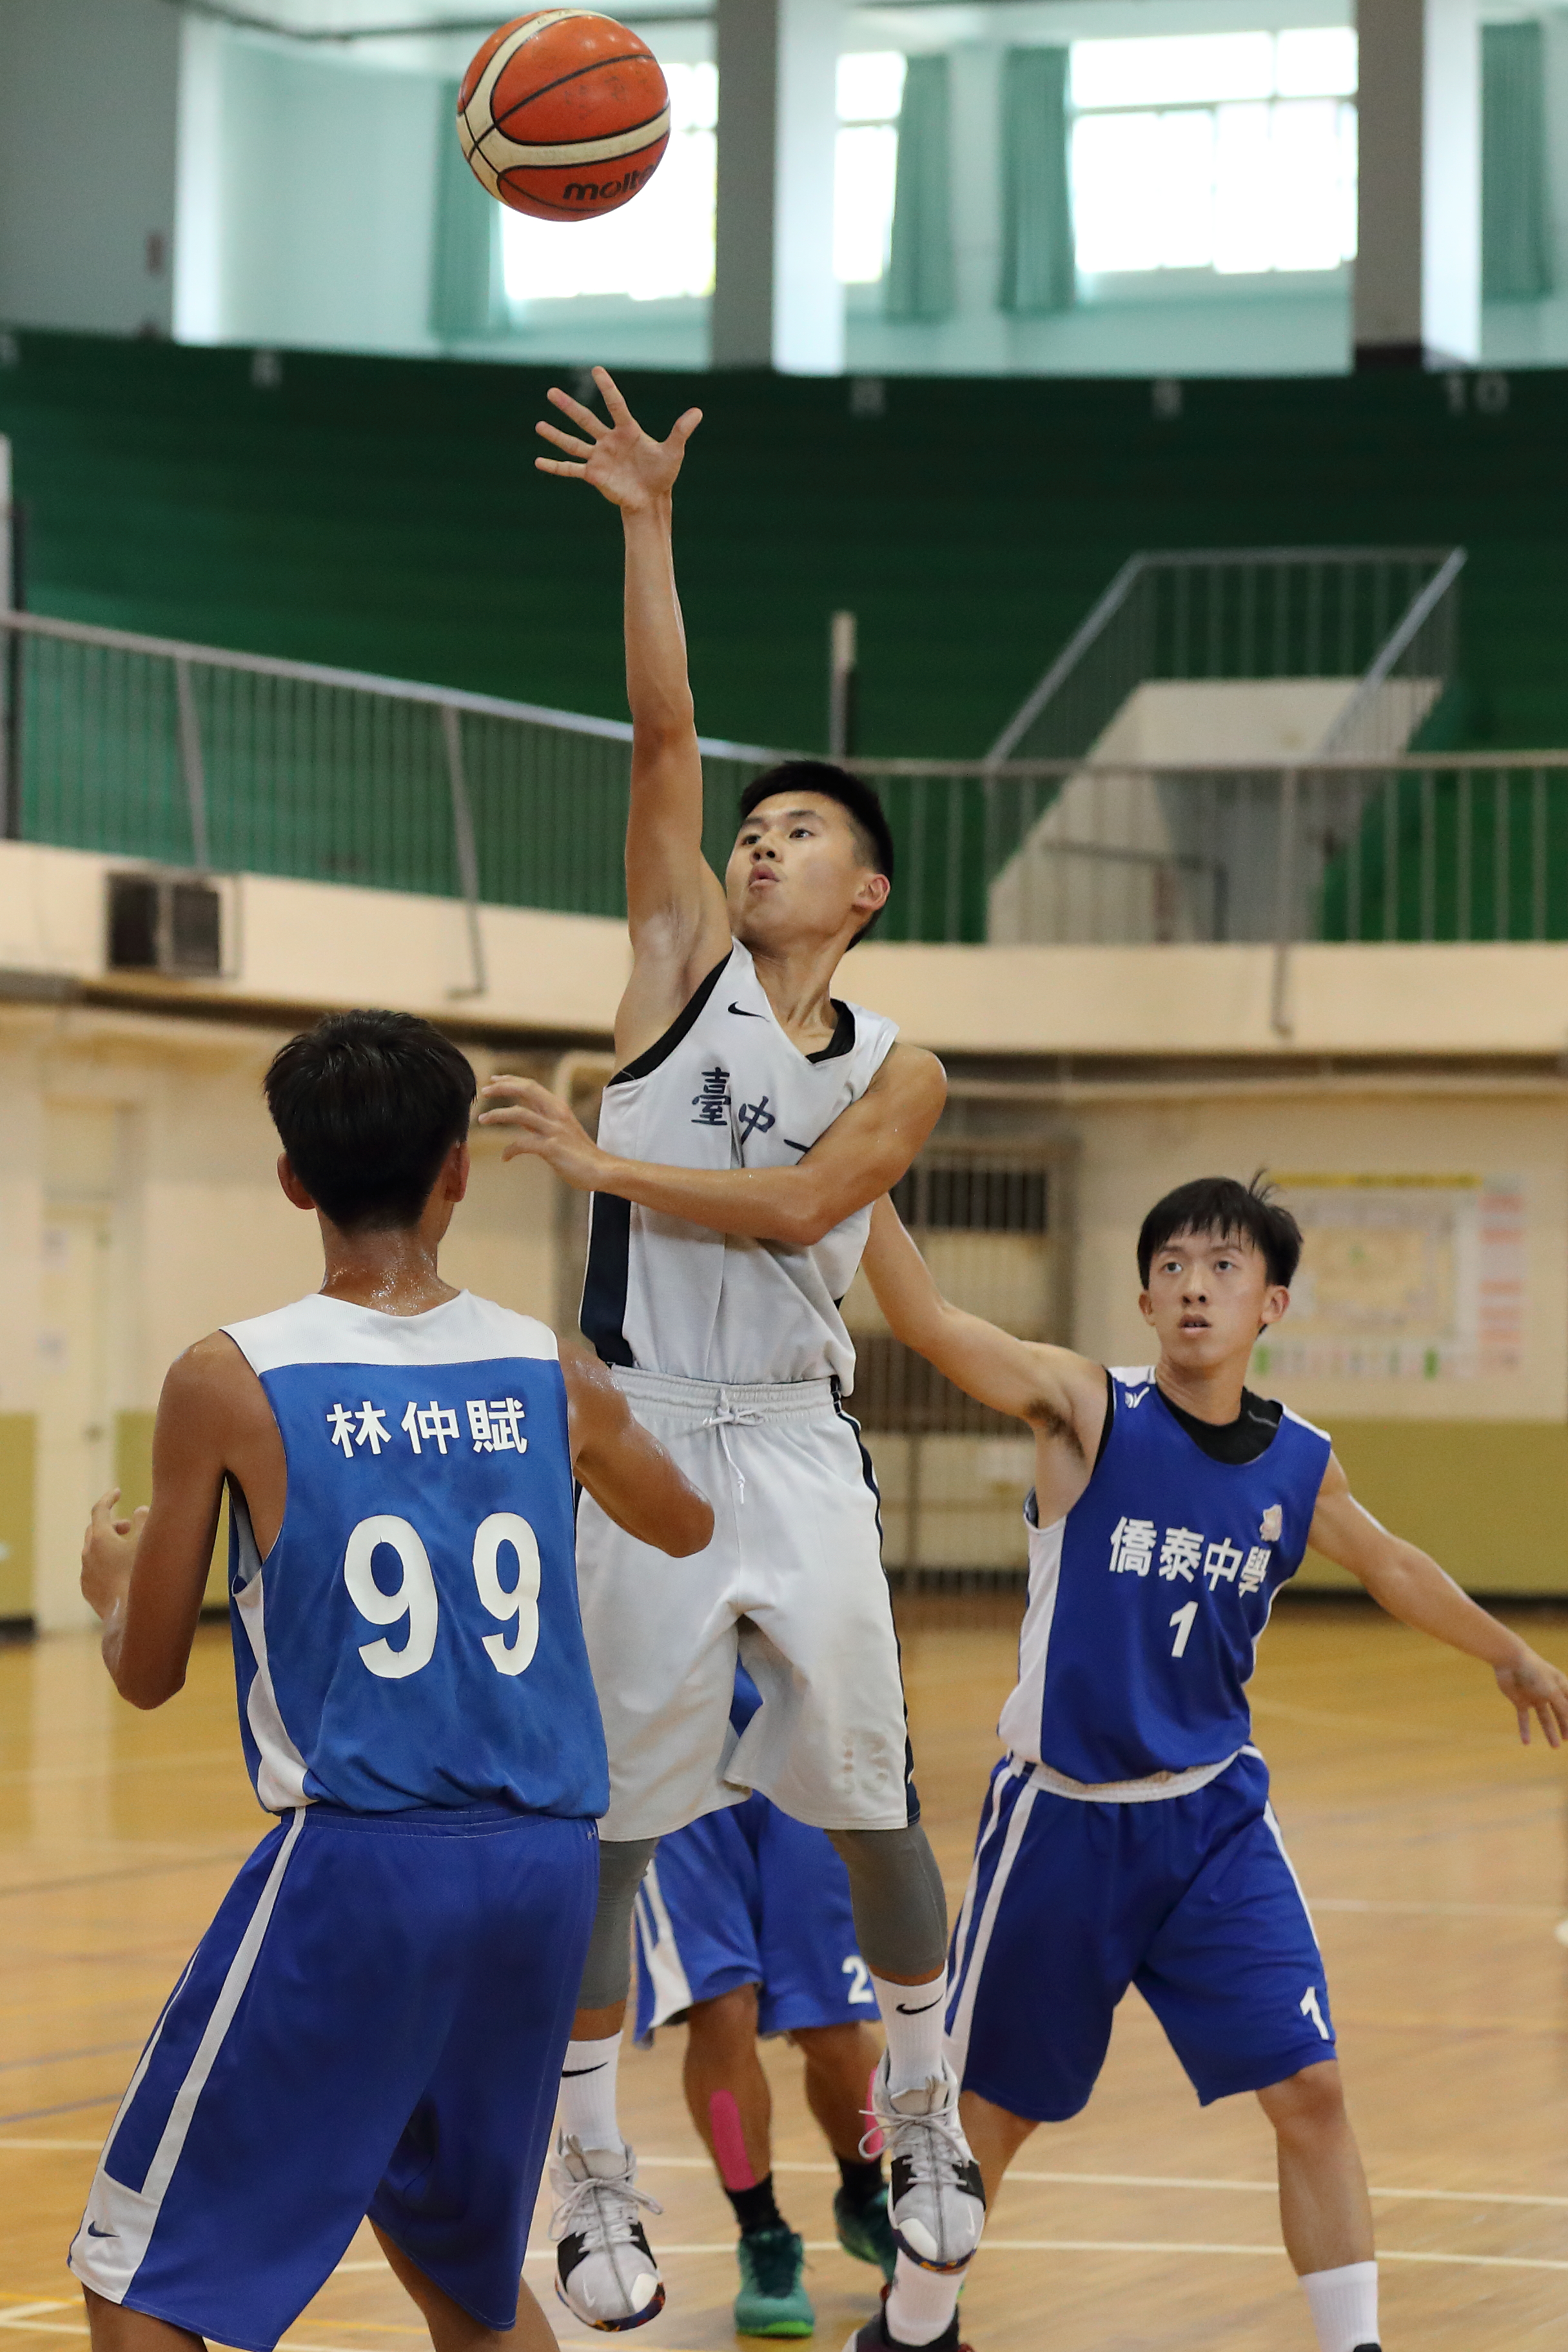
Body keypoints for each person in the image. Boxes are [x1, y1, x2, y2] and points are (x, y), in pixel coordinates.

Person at [478, 368, 985, 2335]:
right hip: (650, 1442)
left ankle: (921, 2122)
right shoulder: (673, 968)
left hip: (792, 1433)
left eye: (801, 835)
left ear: (861, 893)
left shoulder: (901, 1065)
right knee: (608, 1835)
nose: (758, 845)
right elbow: (664, 729)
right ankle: (594, 2174)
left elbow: (797, 1220)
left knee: (870, 1798)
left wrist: (599, 1156)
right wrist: (646, 525)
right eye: (751, 826)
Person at [68, 1009, 712, 2352]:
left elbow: (144, 1676)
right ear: (456, 1173)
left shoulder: (229, 1376)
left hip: (364, 1871)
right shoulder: (548, 1366)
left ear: (293, 1179)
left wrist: (108, 1581)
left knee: (135, 2284)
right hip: (541, 1870)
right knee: (465, 2283)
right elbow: (685, 1522)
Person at [851, 1171, 1568, 2352]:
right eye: (1174, 1264)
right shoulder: (1085, 1408)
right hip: (1064, 1824)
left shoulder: (1299, 1463)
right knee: (989, 2115)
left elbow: (1389, 1563)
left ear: (1271, 1304)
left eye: (1224, 1267)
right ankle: (910, 2330)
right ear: (1142, 1297)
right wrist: (862, 1178)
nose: (1195, 1285)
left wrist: (1510, 1654)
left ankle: (1357, 2346)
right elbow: (931, 1321)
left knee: (1312, 2087)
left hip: (1210, 1824)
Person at [632, 1667, 897, 2338]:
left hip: (804, 1733)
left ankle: (867, 2197)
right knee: (721, 2008)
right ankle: (762, 2236)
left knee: (832, 2025)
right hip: (664, 1745)